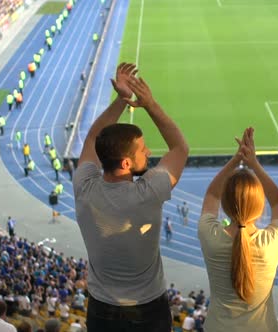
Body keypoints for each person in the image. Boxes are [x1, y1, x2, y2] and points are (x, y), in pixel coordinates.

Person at [73, 62, 188, 332]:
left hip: (101, 309)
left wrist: (121, 100)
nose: (148, 152)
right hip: (149, 308)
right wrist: (149, 104)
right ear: (126, 164)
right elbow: (180, 148)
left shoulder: (83, 186)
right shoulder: (149, 192)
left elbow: (92, 137)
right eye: (142, 149)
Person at [198, 127, 278, 332]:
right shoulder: (272, 241)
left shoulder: (210, 235)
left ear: (225, 206)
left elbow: (211, 194)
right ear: (260, 206)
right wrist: (253, 163)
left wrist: (236, 159)